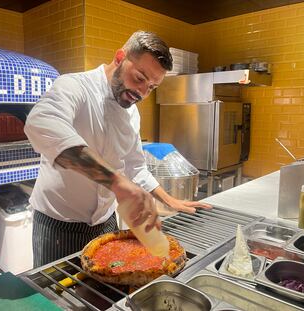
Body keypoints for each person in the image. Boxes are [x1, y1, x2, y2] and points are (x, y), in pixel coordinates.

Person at [24, 30, 211, 267]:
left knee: (106, 295)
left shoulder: (132, 112)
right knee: (56, 299)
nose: (142, 93)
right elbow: (41, 124)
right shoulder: (74, 86)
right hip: (59, 224)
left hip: (106, 222)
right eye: (140, 78)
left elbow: (135, 167)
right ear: (120, 57)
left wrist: (169, 200)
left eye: (151, 87)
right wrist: (117, 184)